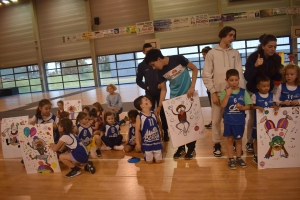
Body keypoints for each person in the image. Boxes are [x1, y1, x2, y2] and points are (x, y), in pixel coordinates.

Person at [144, 48, 198, 160]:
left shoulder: (178, 59)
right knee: (176, 127)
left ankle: (191, 149)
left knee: (189, 124)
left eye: (153, 64)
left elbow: (194, 69)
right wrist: (159, 106)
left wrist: (192, 87)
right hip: (174, 100)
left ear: (159, 59)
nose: (153, 68)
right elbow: (163, 90)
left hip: (188, 96)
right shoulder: (159, 71)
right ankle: (181, 148)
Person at [202, 26, 245, 157]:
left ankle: (234, 144)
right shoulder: (212, 53)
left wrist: (241, 93)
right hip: (218, 93)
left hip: (233, 93)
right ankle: (217, 144)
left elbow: (239, 73)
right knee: (215, 120)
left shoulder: (235, 53)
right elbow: (206, 74)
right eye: (231, 35)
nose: (232, 38)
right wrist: (213, 92)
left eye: (234, 36)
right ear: (223, 35)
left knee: (232, 119)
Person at [244, 34, 282, 153]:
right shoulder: (253, 57)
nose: (273, 49)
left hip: (268, 91)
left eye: (275, 46)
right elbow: (247, 76)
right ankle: (250, 142)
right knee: (253, 117)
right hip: (253, 90)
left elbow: (276, 76)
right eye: (270, 46)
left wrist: (283, 73)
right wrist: (255, 66)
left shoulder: (276, 58)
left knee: (269, 114)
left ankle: (266, 137)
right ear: (263, 46)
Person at [136, 43, 169, 142]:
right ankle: (153, 132)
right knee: (150, 113)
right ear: (143, 52)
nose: (149, 52)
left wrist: (162, 83)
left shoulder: (158, 62)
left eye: (151, 50)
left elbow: (165, 74)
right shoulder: (141, 65)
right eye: (147, 51)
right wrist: (146, 86)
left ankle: (165, 132)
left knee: (162, 112)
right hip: (149, 94)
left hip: (160, 92)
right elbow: (138, 80)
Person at [220, 69, 251, 169]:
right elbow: (223, 105)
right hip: (229, 121)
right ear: (227, 80)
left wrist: (242, 108)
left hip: (239, 121)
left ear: (239, 80)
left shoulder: (243, 92)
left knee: (238, 140)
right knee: (229, 140)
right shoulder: (225, 92)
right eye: (231, 80)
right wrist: (228, 94)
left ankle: (238, 157)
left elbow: (249, 106)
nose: (234, 82)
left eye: (236, 80)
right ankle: (231, 159)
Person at [250, 76, 278, 164]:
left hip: (270, 124)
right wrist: (257, 107)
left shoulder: (272, 96)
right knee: (257, 139)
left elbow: (276, 106)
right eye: (264, 86)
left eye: (268, 86)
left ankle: (267, 153)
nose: (266, 88)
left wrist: (276, 107)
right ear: (258, 86)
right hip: (258, 123)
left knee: (269, 138)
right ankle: (256, 154)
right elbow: (251, 107)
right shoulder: (255, 95)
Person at [134, 95, 163, 163]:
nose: (149, 100)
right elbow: (137, 131)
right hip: (147, 143)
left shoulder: (154, 112)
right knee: (149, 162)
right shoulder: (139, 116)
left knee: (159, 161)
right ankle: (145, 154)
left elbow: (159, 123)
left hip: (156, 142)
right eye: (146, 100)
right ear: (142, 105)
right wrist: (138, 143)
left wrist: (162, 132)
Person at [201, 46, 213, 129]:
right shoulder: (206, 64)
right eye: (202, 54)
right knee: (213, 107)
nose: (203, 56)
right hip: (209, 89)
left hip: (214, 89)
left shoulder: (213, 64)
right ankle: (213, 122)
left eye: (204, 54)